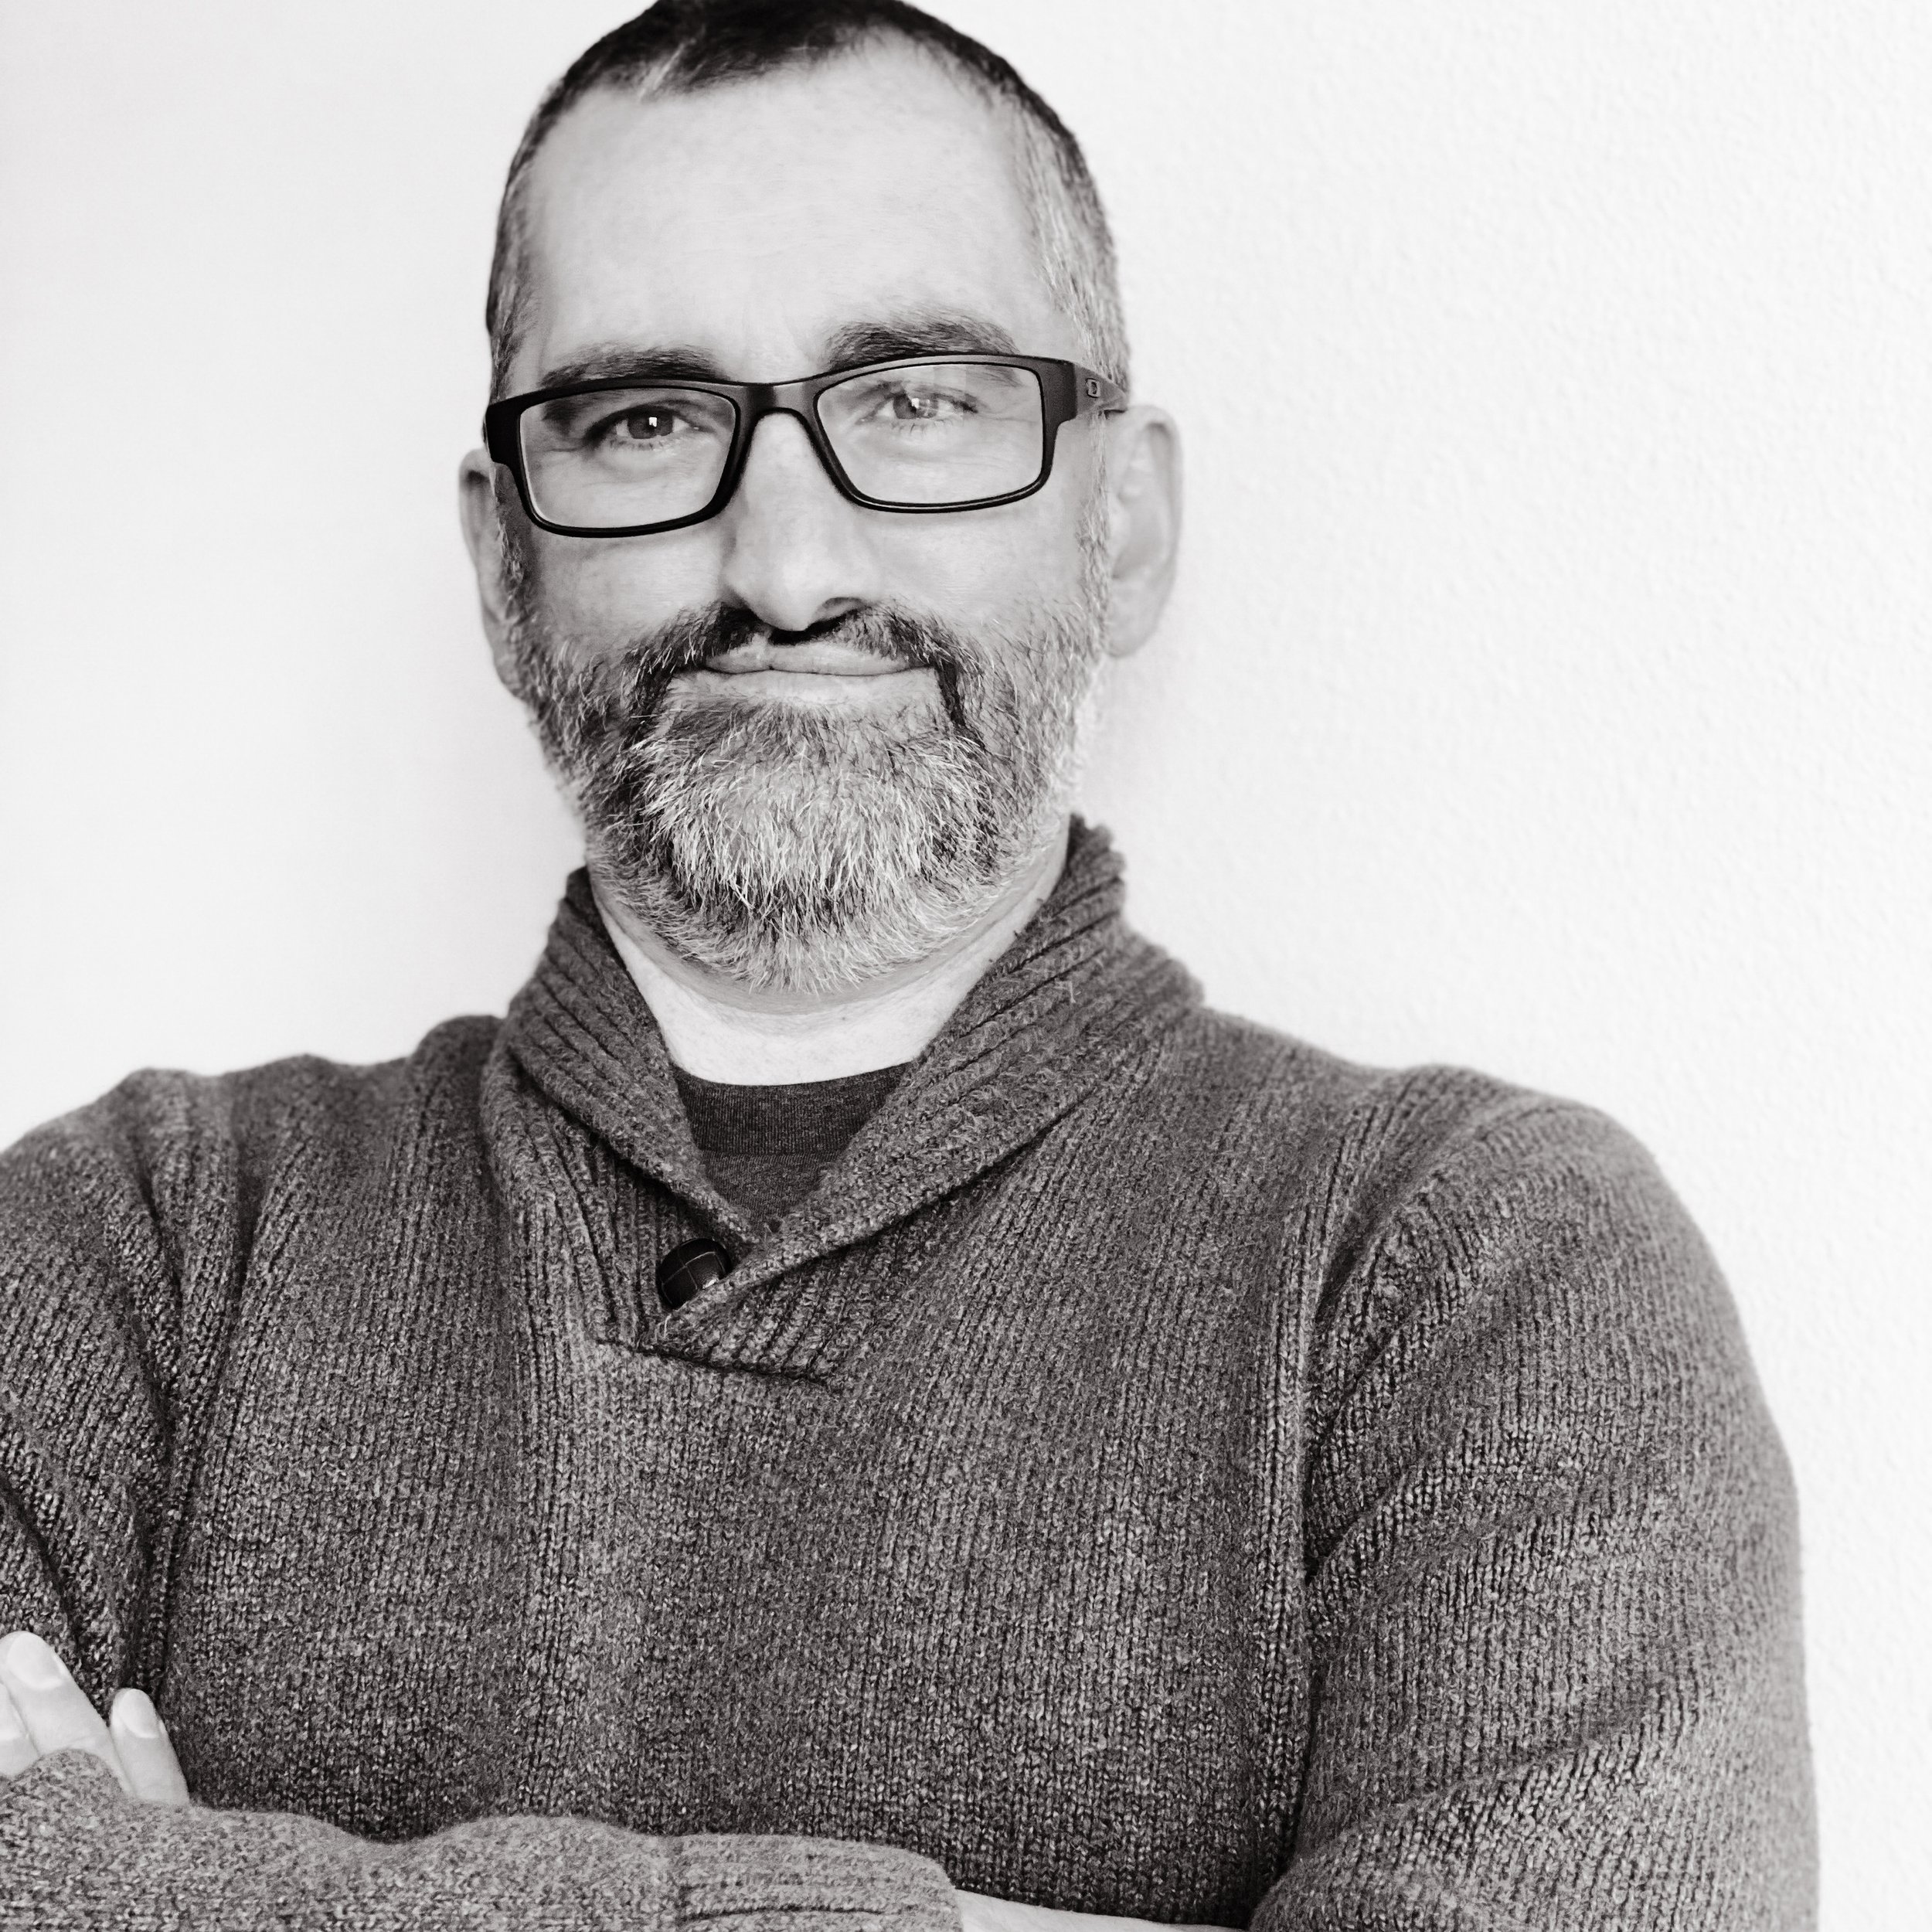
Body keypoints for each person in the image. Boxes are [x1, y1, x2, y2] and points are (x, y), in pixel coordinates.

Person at [0, 2, 1814, 1926]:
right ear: (499, 559)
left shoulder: (1477, 1273)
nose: (783, 560)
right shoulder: (135, 1248)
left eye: (916, 401)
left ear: (1120, 522)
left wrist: (168, 1887)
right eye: (642, 421)